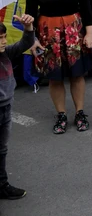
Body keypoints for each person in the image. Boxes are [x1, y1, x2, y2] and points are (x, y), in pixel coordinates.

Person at [26, 0, 92, 133]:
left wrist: (90, 34)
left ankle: (80, 112)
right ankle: (61, 114)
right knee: (55, 77)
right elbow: (30, 14)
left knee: (77, 74)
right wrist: (32, 39)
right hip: (47, 34)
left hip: (74, 32)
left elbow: (87, 9)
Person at [0, 13, 34, 199]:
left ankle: (2, 184)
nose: (4, 42)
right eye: (0, 39)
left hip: (6, 106)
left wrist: (28, 27)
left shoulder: (6, 53)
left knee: (2, 149)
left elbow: (25, 44)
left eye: (4, 37)